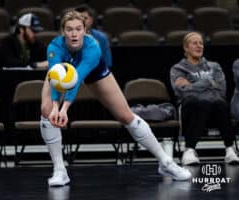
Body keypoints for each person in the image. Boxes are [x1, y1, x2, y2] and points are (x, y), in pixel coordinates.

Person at [40, 11, 191, 187]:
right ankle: (59, 170)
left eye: (78, 29)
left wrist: (64, 109)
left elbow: (76, 79)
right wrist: (56, 107)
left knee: (126, 116)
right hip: (62, 74)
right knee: (47, 110)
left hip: (92, 71)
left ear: (85, 31)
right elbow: (57, 80)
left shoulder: (93, 47)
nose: (74, 34)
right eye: (69, 29)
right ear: (63, 31)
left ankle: (166, 163)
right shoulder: (54, 47)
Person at [170, 31, 239, 166]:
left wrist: (192, 85)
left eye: (201, 43)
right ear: (186, 47)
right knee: (200, 102)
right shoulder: (178, 68)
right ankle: (189, 151)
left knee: (220, 102)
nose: (199, 46)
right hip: (190, 107)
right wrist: (208, 83)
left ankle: (230, 149)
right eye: (195, 43)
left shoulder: (214, 66)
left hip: (214, 105)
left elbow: (221, 90)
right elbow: (182, 92)